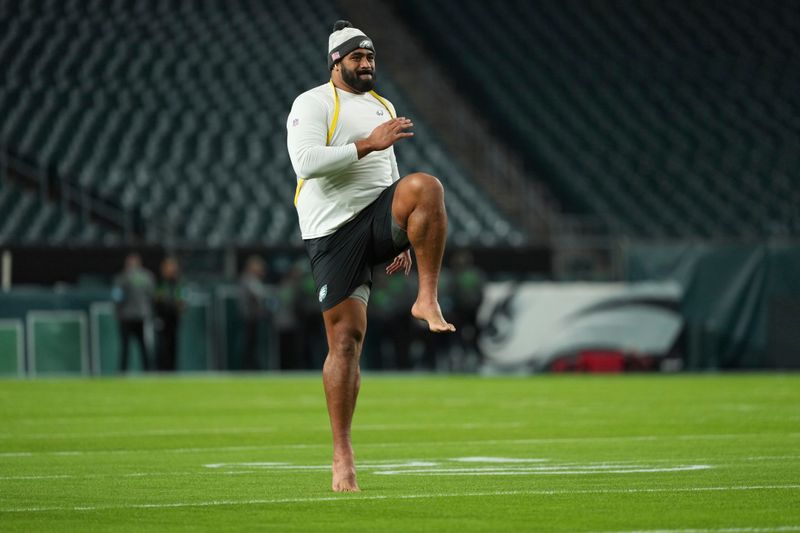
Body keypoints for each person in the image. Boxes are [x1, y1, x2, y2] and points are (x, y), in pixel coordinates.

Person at [286, 20, 455, 492]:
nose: (367, 65)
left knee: (426, 187)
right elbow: (306, 163)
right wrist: (366, 143)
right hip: (332, 232)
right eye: (358, 58)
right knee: (345, 341)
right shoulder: (313, 103)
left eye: (372, 58)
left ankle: (427, 297)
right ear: (336, 61)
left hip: (377, 216)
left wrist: (404, 236)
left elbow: (390, 172)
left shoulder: (383, 105)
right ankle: (342, 454)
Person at [112, 252, 155, 372]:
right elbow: (152, 296)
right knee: (143, 346)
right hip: (141, 316)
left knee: (126, 346)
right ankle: (148, 371)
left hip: (126, 316)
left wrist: (117, 312)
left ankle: (123, 371)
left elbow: (117, 297)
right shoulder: (147, 276)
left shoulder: (123, 277)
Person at [238, 255, 269, 370]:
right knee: (249, 343)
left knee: (252, 343)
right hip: (249, 316)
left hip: (253, 316)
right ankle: (248, 366)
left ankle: (251, 365)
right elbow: (259, 294)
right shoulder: (248, 279)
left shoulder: (252, 279)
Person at [153, 256, 185, 371]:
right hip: (162, 317)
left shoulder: (177, 282)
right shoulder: (160, 282)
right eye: (169, 266)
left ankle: (172, 370)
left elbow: (182, 299)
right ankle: (160, 370)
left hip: (174, 317)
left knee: (173, 345)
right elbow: (157, 300)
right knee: (162, 345)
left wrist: (180, 305)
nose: (172, 269)